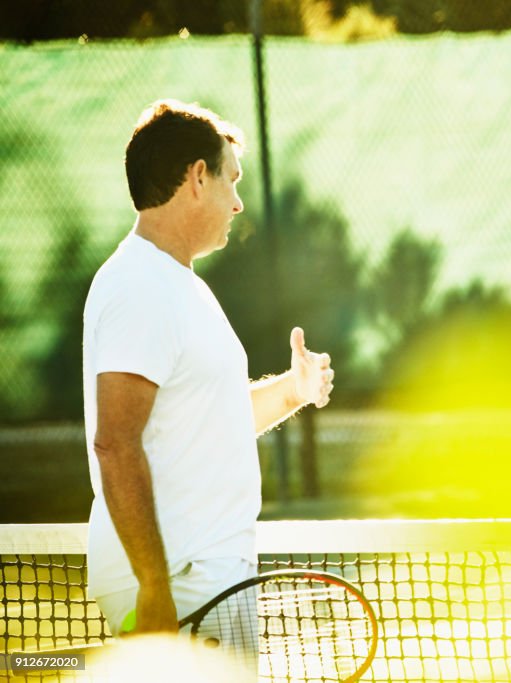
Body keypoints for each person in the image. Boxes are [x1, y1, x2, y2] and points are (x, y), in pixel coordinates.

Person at [82, 100, 335, 638]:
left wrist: (294, 389)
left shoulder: (181, 286)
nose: (239, 203)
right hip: (179, 579)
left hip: (203, 574)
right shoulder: (140, 286)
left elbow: (209, 423)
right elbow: (115, 442)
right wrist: (154, 588)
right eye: (232, 180)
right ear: (198, 177)